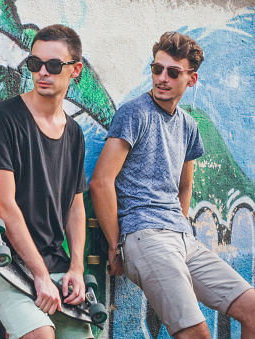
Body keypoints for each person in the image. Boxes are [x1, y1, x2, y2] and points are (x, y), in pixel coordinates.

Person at [89, 31, 255, 338]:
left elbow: (184, 187)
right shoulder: (134, 113)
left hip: (183, 239)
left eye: (173, 72)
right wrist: (116, 245)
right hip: (144, 235)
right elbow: (100, 182)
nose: (162, 78)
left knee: (252, 309)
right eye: (157, 69)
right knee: (197, 334)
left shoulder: (189, 125)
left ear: (191, 80)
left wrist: (178, 225)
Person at [0, 24, 93, 339]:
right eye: (35, 64)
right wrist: (39, 275)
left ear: (75, 70)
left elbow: (76, 207)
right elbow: (4, 205)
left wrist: (77, 269)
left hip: (55, 261)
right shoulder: (2, 120)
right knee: (40, 335)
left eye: (53, 65)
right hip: (4, 259)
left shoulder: (74, 133)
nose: (42, 72)